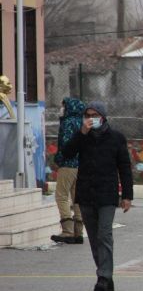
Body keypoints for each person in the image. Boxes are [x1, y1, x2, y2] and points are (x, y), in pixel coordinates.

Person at [63, 101, 133, 291]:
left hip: (107, 194)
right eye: (87, 115)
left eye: (94, 115)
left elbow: (124, 167)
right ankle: (106, 276)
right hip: (86, 194)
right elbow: (67, 153)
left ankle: (103, 276)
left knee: (104, 234)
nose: (90, 119)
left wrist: (127, 195)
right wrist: (81, 134)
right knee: (94, 238)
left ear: (102, 117)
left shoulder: (116, 138)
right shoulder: (82, 137)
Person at [51, 97, 86, 244]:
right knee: (77, 197)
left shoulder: (67, 123)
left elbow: (65, 145)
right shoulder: (83, 123)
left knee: (61, 195)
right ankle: (78, 231)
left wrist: (58, 159)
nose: (62, 109)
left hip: (68, 164)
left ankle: (67, 230)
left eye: (63, 106)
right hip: (81, 165)